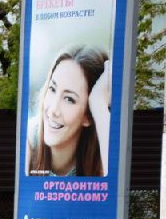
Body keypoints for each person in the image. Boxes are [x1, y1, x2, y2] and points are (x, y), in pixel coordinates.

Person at [28, 45, 111, 178]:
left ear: (88, 116)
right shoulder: (29, 138)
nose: (53, 110)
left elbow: (113, 188)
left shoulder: (101, 157)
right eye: (52, 89)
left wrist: (99, 104)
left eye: (69, 99)